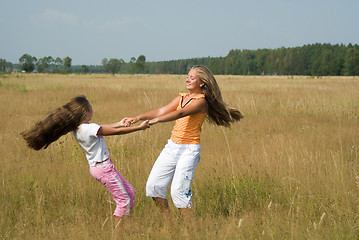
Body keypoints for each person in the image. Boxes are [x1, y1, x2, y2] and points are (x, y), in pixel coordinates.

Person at [125, 65, 244, 220]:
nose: (187, 79)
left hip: (189, 150)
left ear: (202, 83)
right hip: (172, 147)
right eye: (187, 76)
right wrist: (138, 118)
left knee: (179, 192)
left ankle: (190, 232)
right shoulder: (181, 97)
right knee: (154, 187)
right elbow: (162, 110)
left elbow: (180, 113)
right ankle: (170, 226)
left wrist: (153, 122)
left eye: (192, 77)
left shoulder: (201, 102)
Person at [21, 95, 150, 228]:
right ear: (85, 113)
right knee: (124, 200)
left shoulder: (80, 128)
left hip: (100, 168)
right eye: (91, 108)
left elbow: (101, 128)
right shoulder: (88, 129)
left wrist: (119, 123)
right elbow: (115, 132)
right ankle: (118, 234)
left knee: (130, 192)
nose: (92, 110)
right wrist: (139, 128)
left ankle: (126, 224)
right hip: (104, 169)